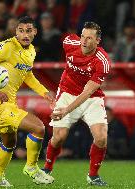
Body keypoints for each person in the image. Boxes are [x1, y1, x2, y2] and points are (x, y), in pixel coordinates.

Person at [0, 16, 55, 187]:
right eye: (21, 30)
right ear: (16, 31)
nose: (25, 34)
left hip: (9, 104)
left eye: (28, 30)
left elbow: (27, 74)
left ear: (35, 32)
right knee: (38, 127)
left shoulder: (31, 51)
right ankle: (32, 168)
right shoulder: (7, 46)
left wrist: (44, 92)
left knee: (9, 142)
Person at [42, 22, 111, 186]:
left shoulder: (102, 61)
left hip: (91, 98)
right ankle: (46, 169)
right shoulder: (69, 43)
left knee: (101, 138)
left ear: (98, 41)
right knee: (59, 137)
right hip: (66, 92)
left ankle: (93, 176)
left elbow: (87, 93)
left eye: (89, 38)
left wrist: (66, 111)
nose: (84, 41)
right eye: (82, 36)